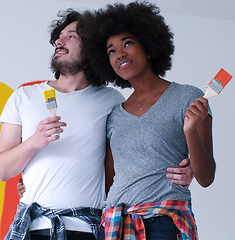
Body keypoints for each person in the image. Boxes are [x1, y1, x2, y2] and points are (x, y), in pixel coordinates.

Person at [0, 9, 193, 240]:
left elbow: (136, 156)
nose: (59, 41)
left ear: (91, 49)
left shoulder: (111, 101)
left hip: (89, 228)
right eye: (59, 36)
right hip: (32, 228)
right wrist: (33, 142)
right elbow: (2, 170)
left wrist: (182, 171)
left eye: (71, 36)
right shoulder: (23, 97)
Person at [79, 2, 215, 239]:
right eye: (111, 50)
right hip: (114, 225)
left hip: (164, 223)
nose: (120, 53)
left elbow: (206, 177)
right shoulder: (114, 114)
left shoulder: (188, 97)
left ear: (150, 48)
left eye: (128, 43)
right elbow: (107, 179)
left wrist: (191, 132)